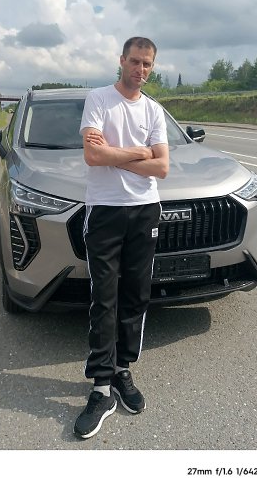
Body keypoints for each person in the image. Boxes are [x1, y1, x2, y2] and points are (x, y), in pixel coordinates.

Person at [74, 36, 169, 439]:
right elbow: (93, 156)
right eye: (134, 61)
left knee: (135, 295)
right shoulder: (99, 99)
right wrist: (140, 153)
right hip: (105, 211)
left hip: (145, 210)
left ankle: (122, 370)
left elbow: (162, 168)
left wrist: (118, 152)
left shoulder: (154, 110)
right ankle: (100, 389)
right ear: (121, 60)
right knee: (104, 298)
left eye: (147, 64)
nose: (140, 70)